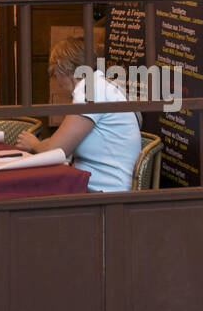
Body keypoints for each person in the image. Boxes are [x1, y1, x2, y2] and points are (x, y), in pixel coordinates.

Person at [15, 36, 142, 193]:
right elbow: (63, 140)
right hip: (103, 186)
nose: (58, 83)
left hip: (105, 193)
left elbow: (56, 150)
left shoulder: (91, 90)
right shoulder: (99, 84)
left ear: (64, 69)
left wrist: (33, 144)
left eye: (55, 74)